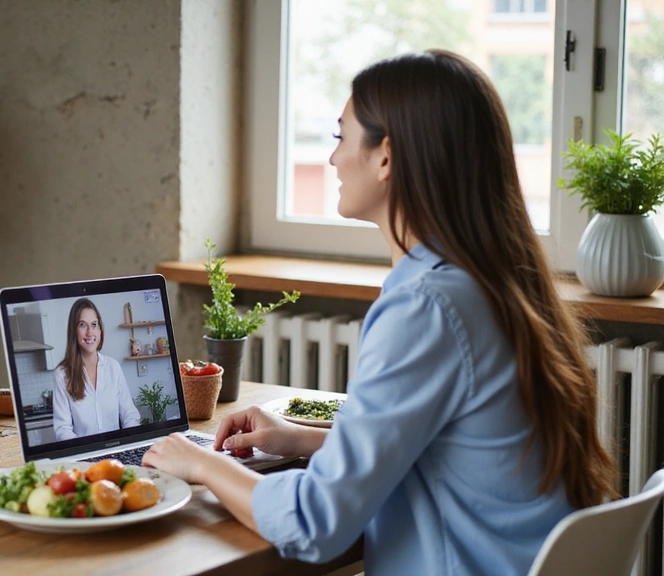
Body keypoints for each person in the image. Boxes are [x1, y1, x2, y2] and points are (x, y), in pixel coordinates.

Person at [142, 50, 618, 575]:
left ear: (386, 156)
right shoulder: (495, 286)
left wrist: (202, 463)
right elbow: (452, 453)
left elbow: (317, 524)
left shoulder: (426, 307)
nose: (333, 160)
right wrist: (306, 439)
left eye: (340, 137)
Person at [52, 298, 141, 440]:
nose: (89, 332)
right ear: (73, 330)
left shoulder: (113, 367)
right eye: (82, 325)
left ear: (100, 330)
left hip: (116, 455)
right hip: (83, 458)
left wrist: (129, 444)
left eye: (94, 325)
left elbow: (130, 415)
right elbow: (63, 429)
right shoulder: (62, 375)